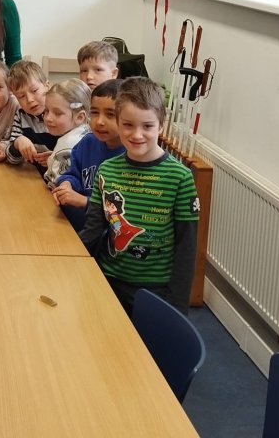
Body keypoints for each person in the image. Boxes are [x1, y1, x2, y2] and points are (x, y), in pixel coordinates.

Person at [78, 77, 200, 317]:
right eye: (128, 125)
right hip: (109, 279)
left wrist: (178, 306)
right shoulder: (107, 170)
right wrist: (71, 262)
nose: (137, 135)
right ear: (118, 122)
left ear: (161, 125)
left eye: (147, 126)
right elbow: (93, 228)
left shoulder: (180, 177)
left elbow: (186, 248)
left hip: (155, 289)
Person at [53, 79, 124, 230]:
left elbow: (123, 211)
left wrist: (84, 201)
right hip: (72, 226)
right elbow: (73, 173)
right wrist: (66, 184)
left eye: (110, 114)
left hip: (104, 236)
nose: (99, 122)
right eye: (95, 113)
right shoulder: (87, 142)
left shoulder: (131, 156)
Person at [5, 59, 56, 168]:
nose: (29, 99)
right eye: (21, 96)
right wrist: (18, 142)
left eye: (34, 90)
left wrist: (57, 159)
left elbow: (79, 156)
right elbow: (12, 159)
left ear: (47, 86)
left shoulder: (62, 112)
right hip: (34, 174)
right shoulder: (20, 115)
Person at [41, 78, 91, 188]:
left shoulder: (67, 143)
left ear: (80, 117)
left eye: (57, 113)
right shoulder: (87, 133)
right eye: (46, 111)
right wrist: (53, 158)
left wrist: (58, 158)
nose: (48, 118)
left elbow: (54, 182)